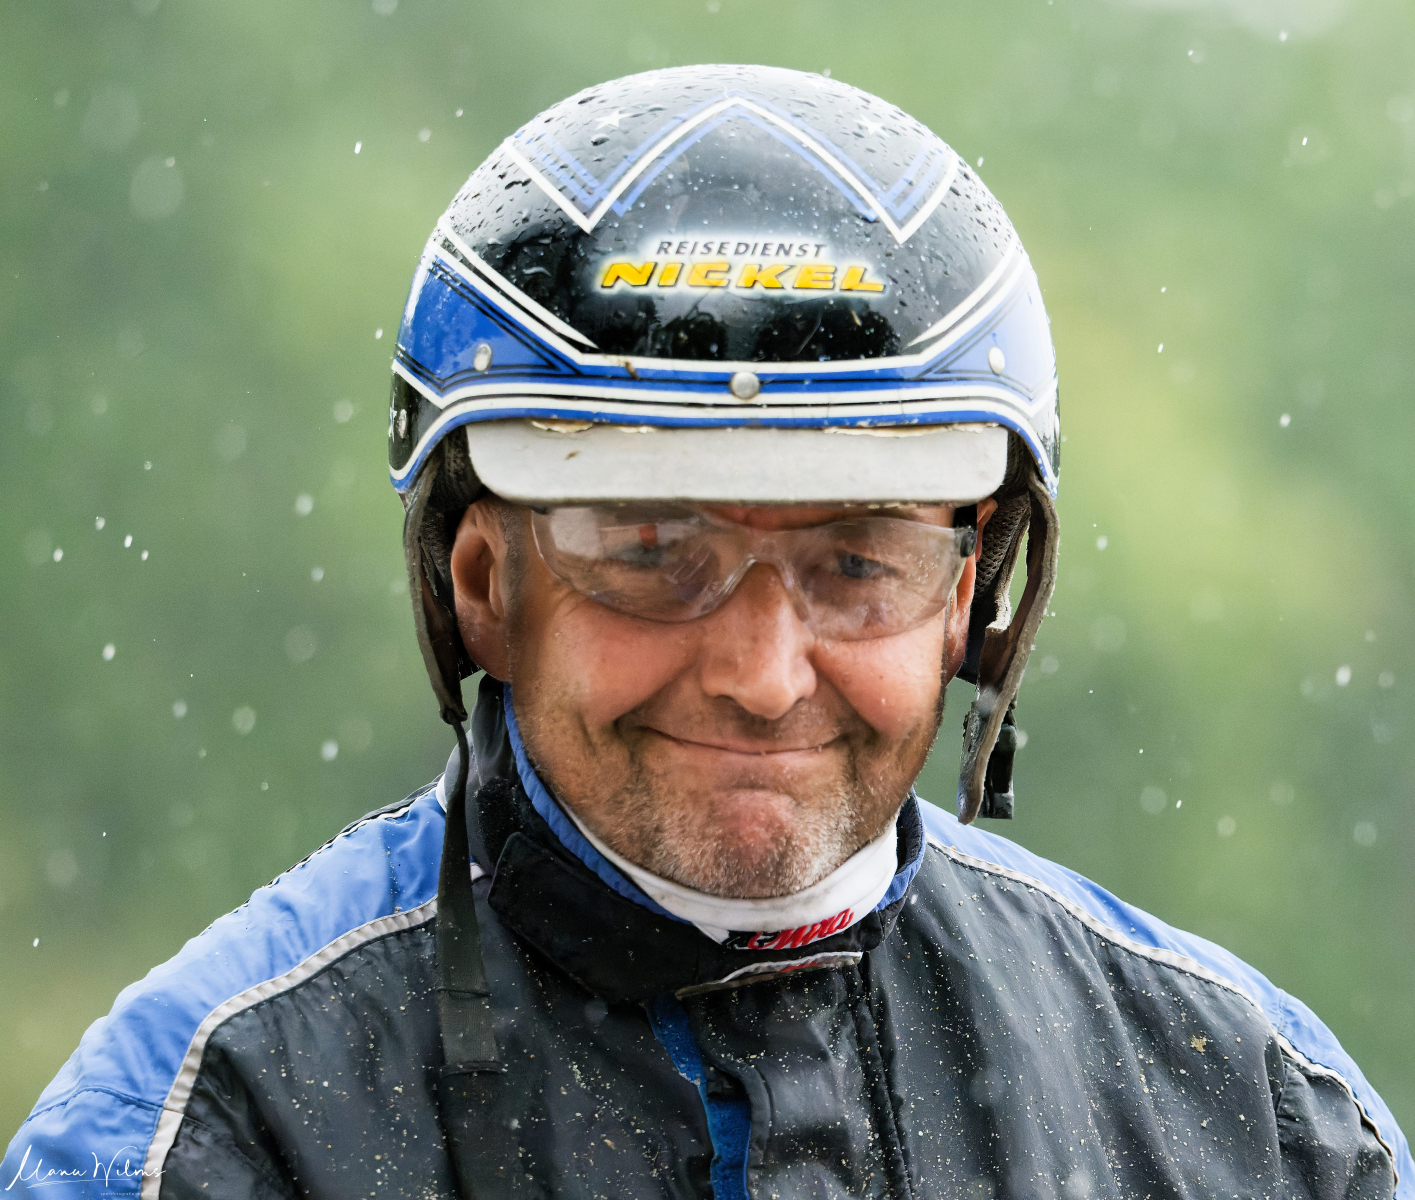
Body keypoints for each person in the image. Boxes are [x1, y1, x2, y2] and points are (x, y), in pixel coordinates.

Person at [5, 64, 1408, 1200]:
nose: (761, 674)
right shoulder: (208, 1130)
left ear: (968, 599)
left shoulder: (1257, 1118)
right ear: (483, 586)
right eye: (652, 555)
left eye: (857, 561)